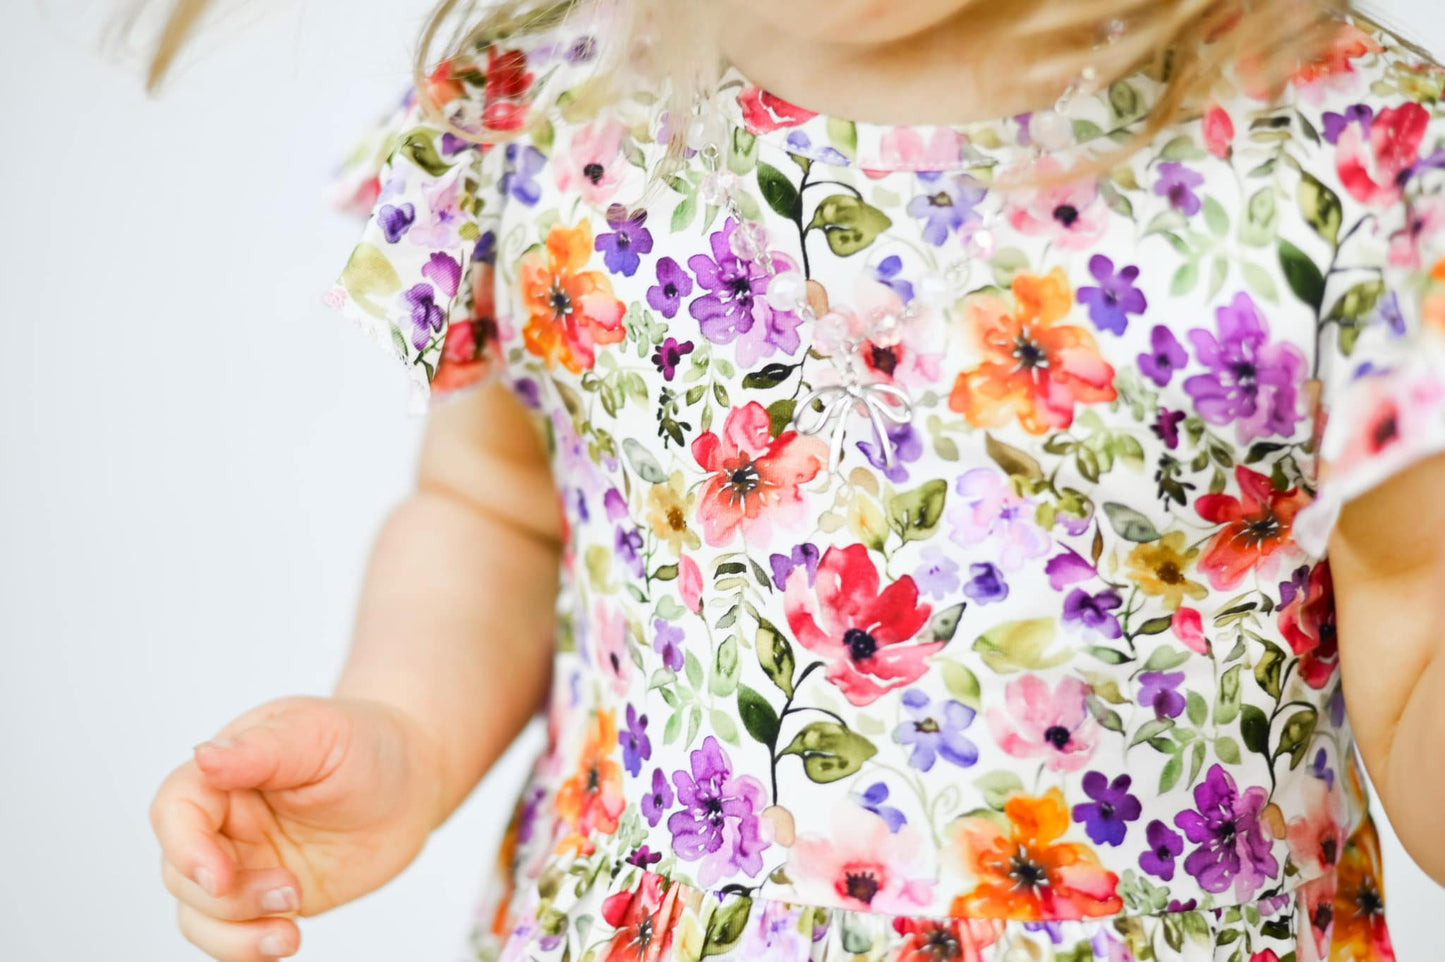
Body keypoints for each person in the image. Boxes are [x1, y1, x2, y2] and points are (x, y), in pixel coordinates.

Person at [147, 1, 1445, 959]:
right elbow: (494, 506)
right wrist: (406, 733)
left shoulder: (1343, 158)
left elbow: (1421, 614)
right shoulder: (559, 98)